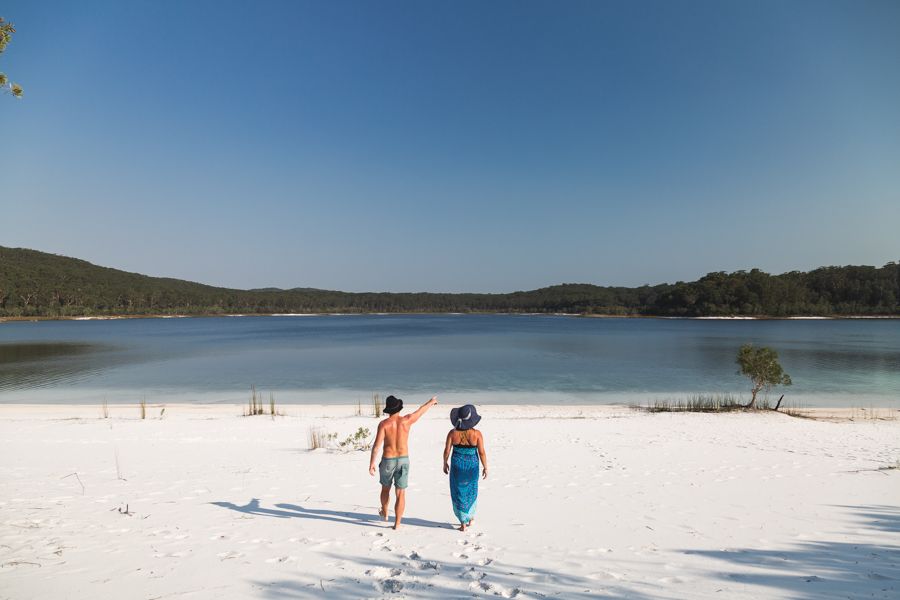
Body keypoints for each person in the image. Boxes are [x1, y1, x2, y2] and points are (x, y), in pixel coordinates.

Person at [369, 394, 438, 530]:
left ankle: (385, 512)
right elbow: (420, 412)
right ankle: (398, 523)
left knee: (385, 488)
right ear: (399, 409)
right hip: (403, 459)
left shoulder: (383, 424)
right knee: (400, 493)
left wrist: (371, 463)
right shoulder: (406, 420)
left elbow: (377, 446)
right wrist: (431, 402)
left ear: (388, 410)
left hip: (388, 460)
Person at [443, 404, 488, 531]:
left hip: (457, 465)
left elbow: (446, 451)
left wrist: (444, 462)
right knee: (471, 490)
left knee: (458, 492)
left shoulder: (452, 433)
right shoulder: (477, 434)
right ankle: (471, 518)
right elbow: (482, 452)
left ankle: (463, 523)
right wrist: (485, 467)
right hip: (472, 466)